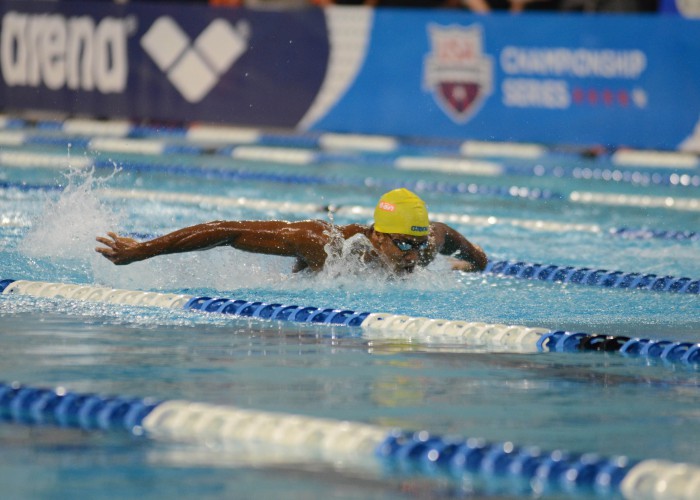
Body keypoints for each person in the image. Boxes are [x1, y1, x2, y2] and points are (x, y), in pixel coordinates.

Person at [96, 188, 487, 275]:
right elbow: (227, 230)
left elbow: (445, 234)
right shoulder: (328, 247)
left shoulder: (420, 248)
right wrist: (142, 250)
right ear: (378, 236)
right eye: (403, 244)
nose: (413, 256)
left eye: (419, 247)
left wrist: (477, 264)